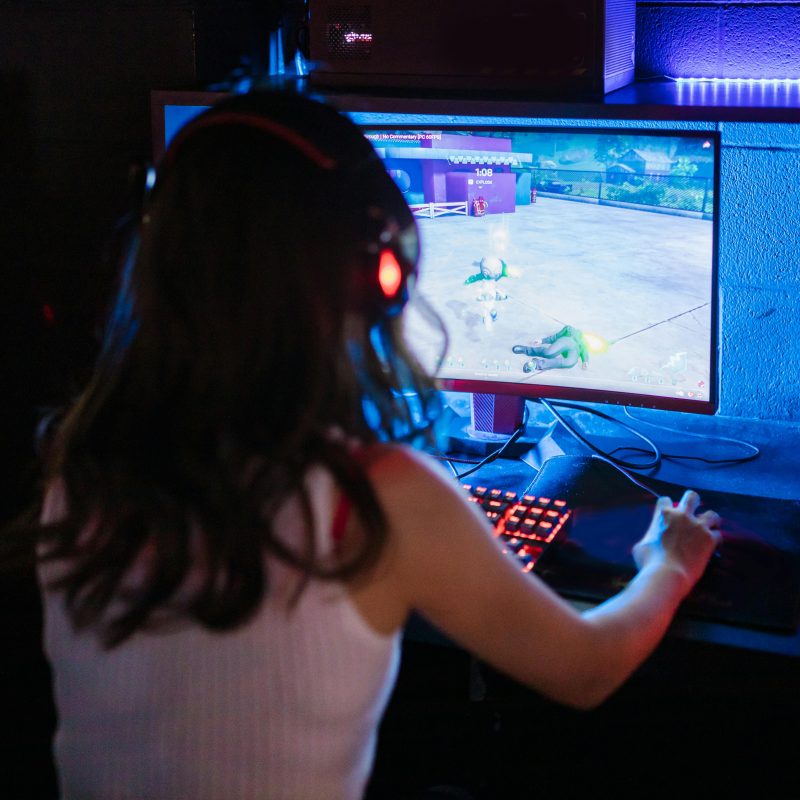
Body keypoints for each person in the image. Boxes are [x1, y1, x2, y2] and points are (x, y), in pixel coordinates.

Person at [16, 89, 720, 800]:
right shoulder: (378, 494)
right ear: (375, 274)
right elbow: (589, 670)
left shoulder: (84, 462)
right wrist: (669, 564)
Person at [513, 323, 590, 373]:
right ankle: (526, 349)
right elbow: (555, 337)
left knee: (569, 363)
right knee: (548, 353)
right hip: (566, 341)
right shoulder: (570, 330)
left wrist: (585, 361)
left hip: (574, 351)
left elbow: (584, 351)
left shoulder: (582, 343)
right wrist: (542, 341)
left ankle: (536, 364)